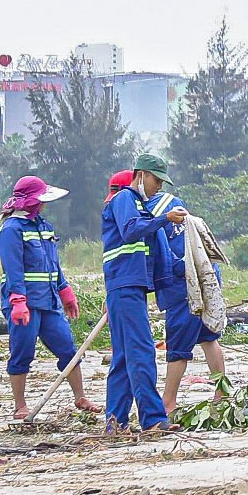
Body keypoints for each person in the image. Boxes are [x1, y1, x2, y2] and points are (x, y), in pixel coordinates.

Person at [0, 176, 94, 421]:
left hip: (49, 302)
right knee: (22, 352)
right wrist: (18, 301)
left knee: (68, 349)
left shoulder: (44, 227)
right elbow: (13, 268)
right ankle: (20, 405)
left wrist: (64, 290)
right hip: (24, 303)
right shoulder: (10, 230)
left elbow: (53, 264)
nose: (44, 205)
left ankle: (80, 397)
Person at [103, 152, 185, 433]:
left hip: (127, 288)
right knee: (141, 351)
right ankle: (153, 419)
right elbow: (130, 231)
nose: (159, 187)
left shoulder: (141, 206)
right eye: (157, 180)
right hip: (124, 286)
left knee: (125, 356)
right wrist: (164, 218)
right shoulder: (125, 199)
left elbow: (160, 256)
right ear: (141, 175)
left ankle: (115, 420)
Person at [146, 179, 226, 417]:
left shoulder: (156, 215)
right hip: (206, 277)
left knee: (178, 345)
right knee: (208, 337)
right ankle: (222, 394)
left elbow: (163, 260)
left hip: (185, 286)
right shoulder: (173, 205)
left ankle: (168, 401)